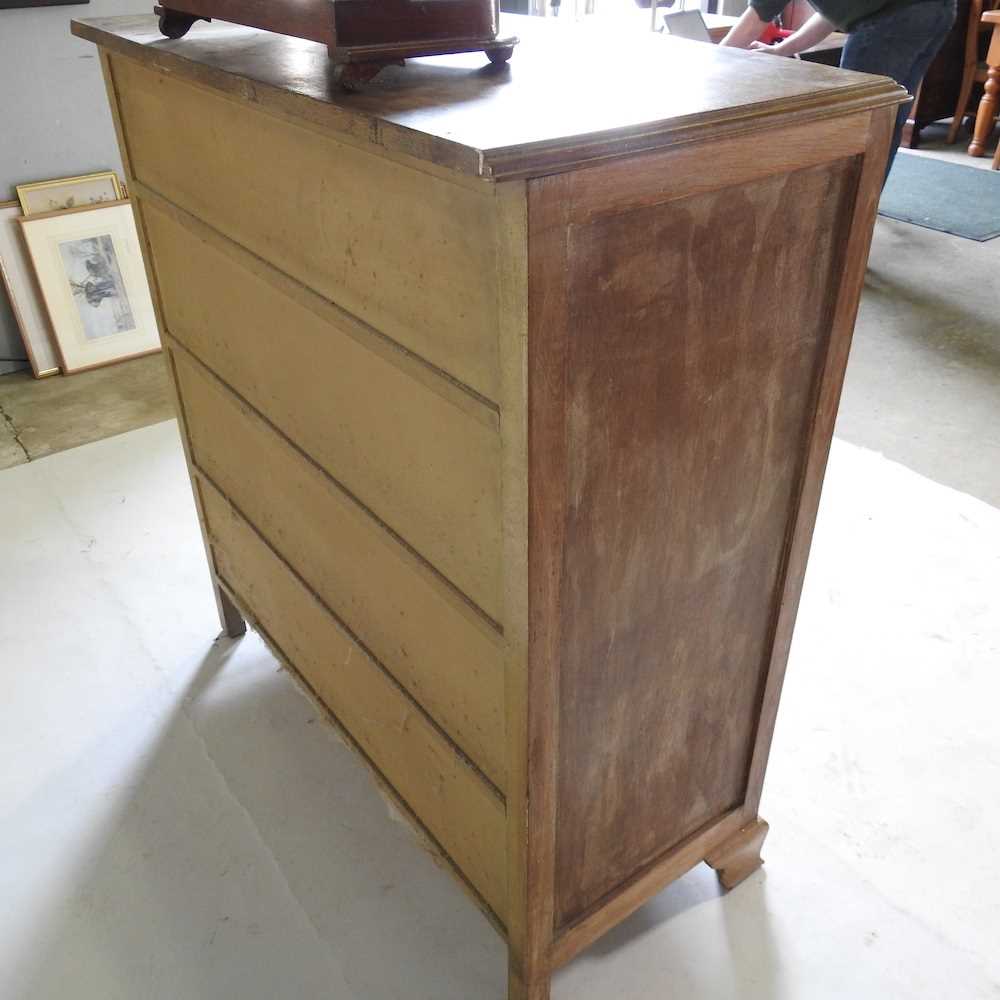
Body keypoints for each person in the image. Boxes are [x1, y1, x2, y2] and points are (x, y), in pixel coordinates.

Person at [720, 0, 957, 177]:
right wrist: (782, 49)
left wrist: (711, 60)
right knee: (888, 118)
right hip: (937, 10)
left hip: (892, 17)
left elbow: (756, 19)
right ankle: (865, 207)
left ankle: (843, 215)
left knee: (856, 125)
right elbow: (833, 13)